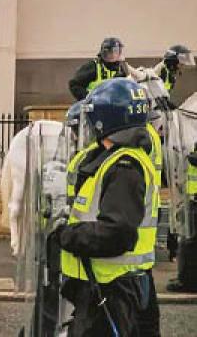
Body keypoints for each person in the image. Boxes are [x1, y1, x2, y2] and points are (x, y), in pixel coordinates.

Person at [56, 78, 160, 337]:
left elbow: (118, 233)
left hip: (115, 293)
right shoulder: (112, 159)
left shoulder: (124, 168)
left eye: (90, 121)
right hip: (109, 288)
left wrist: (67, 235)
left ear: (105, 121)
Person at [167, 142, 197, 293]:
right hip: (192, 201)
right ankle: (187, 278)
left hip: (194, 202)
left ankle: (188, 280)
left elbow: (193, 159)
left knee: (189, 243)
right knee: (188, 241)